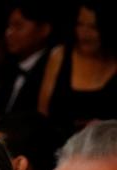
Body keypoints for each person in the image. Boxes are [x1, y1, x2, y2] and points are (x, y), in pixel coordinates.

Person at [38, 2, 117, 136]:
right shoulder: (60, 56)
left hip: (103, 149)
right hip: (56, 145)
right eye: (80, 24)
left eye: (93, 27)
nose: (84, 33)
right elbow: (42, 113)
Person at [0, 2, 54, 114]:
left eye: (18, 26)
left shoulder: (51, 69)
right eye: (9, 26)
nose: (9, 33)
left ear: (44, 30)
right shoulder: (7, 67)